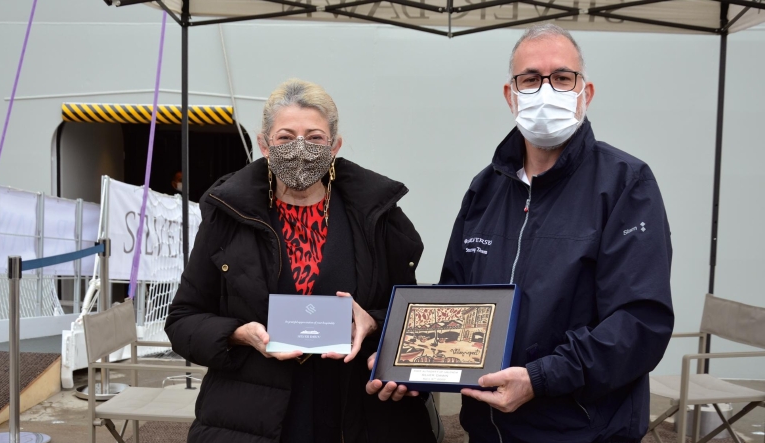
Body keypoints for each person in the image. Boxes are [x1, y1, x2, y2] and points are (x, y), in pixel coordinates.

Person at [367, 24, 674, 443]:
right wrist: (408, 360)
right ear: (511, 95)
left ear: (586, 92)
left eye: (562, 78)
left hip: (581, 430)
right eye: (530, 79)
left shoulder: (625, 183)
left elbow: (640, 324)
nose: (546, 90)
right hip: (488, 429)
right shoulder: (485, 188)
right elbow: (456, 297)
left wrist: (540, 378)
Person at [165, 79, 436, 443]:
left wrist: (373, 322)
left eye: (315, 138)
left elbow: (411, 316)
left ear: (335, 145)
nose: (300, 150)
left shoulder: (377, 217)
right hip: (254, 413)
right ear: (263, 144)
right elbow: (183, 320)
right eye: (285, 137)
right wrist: (238, 335)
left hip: (356, 409)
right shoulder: (227, 216)